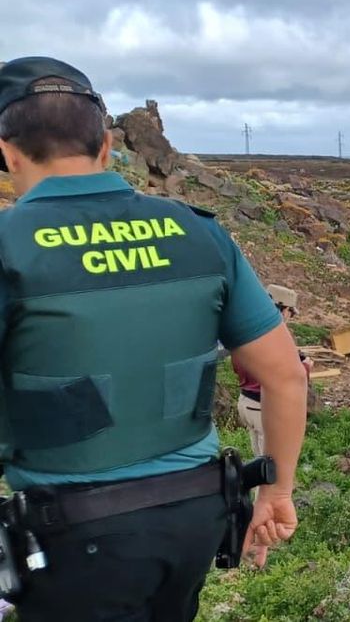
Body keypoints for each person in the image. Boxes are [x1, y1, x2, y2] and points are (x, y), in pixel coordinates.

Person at [0, 56, 308, 621]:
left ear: (7, 152)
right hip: (193, 519)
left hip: (71, 535)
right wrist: (277, 491)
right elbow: (285, 375)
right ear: (105, 146)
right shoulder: (198, 232)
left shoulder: (10, 244)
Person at [233, 284, 313, 456]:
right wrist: (305, 366)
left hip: (245, 402)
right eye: (290, 312)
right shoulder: (274, 335)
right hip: (263, 407)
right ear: (283, 310)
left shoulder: (247, 327)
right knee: (270, 468)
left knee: (258, 462)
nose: (289, 317)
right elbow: (287, 377)